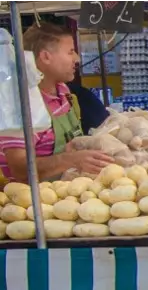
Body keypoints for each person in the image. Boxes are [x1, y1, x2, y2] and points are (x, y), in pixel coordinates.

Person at [0, 23, 112, 182]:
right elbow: (20, 169)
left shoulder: (65, 92)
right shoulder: (21, 105)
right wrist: (71, 160)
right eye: (70, 52)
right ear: (46, 57)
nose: (77, 58)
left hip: (70, 190)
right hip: (31, 199)